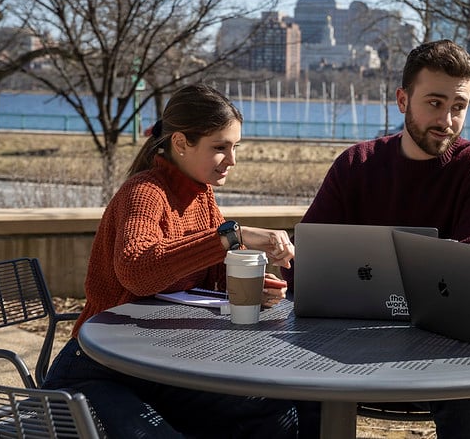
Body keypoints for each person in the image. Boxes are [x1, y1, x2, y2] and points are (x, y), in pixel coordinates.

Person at [43, 83, 317, 438]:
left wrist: (253, 281)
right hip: (99, 367)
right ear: (181, 143)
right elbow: (138, 272)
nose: (232, 160)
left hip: (164, 367)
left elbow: (211, 269)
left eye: (235, 147)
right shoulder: (143, 193)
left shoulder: (202, 197)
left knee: (290, 406)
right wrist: (233, 235)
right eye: (219, 148)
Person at [284, 39, 470, 439]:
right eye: (435, 103)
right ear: (402, 100)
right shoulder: (357, 164)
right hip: (351, 336)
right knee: (297, 382)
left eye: (459, 106)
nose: (447, 119)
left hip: (450, 343)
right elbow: (306, 261)